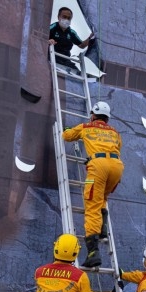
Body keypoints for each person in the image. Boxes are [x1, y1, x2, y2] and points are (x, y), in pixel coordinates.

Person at [63, 102, 124, 268]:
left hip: (98, 166)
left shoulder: (86, 127)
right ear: (107, 117)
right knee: (103, 196)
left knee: (92, 206)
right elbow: (119, 146)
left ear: (93, 115)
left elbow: (66, 136)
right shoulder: (115, 132)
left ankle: (93, 252)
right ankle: (102, 229)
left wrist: (67, 129)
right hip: (117, 166)